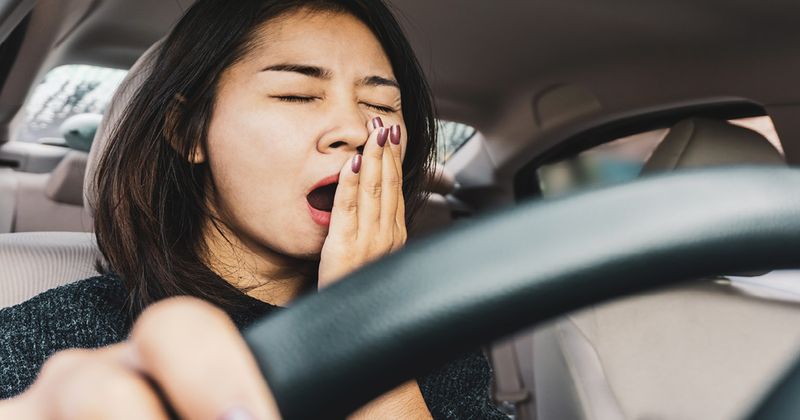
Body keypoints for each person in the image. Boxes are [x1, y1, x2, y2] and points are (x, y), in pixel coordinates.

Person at [0, 0, 508, 418]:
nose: (354, 130)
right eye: (296, 94)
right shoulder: (55, 343)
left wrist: (365, 321)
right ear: (189, 131)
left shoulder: (443, 353)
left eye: (380, 106)